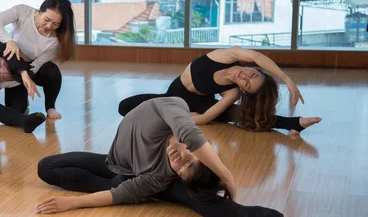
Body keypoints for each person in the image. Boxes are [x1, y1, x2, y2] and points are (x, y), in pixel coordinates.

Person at [36, 97, 284, 217]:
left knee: (174, 191)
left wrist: (70, 203)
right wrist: (226, 175)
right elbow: (191, 134)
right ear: (201, 150)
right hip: (116, 164)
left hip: (128, 180)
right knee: (46, 167)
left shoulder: (162, 175)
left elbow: (117, 195)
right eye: (189, 159)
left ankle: (245, 214)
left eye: (181, 169)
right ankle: (150, 193)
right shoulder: (174, 108)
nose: (178, 162)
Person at [118, 47, 322, 134]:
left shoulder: (233, 92)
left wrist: (187, 119)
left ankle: (294, 123)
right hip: (173, 96)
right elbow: (257, 55)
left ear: (243, 90)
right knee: (124, 107)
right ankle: (165, 116)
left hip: (196, 104)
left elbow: (206, 118)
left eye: (248, 84)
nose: (245, 77)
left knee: (239, 115)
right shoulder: (226, 56)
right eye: (252, 74)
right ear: (253, 67)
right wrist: (287, 79)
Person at [0, 0, 76, 120]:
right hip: (11, 64)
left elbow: (34, 67)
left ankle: (50, 106)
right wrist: (9, 41)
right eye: (47, 19)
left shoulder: (55, 40)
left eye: (55, 24)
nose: (49, 26)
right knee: (16, 110)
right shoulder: (23, 11)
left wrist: (4, 84)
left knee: (52, 71)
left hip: (30, 69)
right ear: (40, 11)